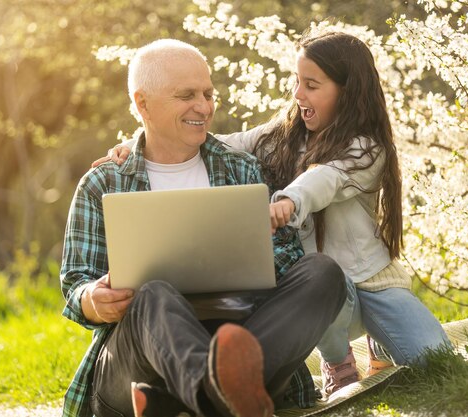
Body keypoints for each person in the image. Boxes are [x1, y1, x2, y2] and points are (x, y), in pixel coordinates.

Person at [97, 31, 451, 397]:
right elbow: (226, 143)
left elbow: (323, 179)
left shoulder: (367, 149)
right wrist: (138, 139)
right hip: (324, 287)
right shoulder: (284, 135)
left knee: (436, 362)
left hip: (371, 281)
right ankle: (338, 362)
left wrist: (289, 201)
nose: (299, 95)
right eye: (296, 82)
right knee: (323, 278)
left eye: (311, 85)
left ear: (348, 91)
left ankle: (378, 342)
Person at [61, 38, 347, 417]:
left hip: (238, 329)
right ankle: (220, 396)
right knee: (154, 294)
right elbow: (75, 281)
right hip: (138, 360)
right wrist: (93, 300)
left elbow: (288, 259)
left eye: (209, 94)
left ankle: (197, 402)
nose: (204, 106)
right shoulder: (102, 184)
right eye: (187, 95)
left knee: (322, 273)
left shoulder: (240, 169)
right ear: (142, 103)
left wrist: (248, 250)